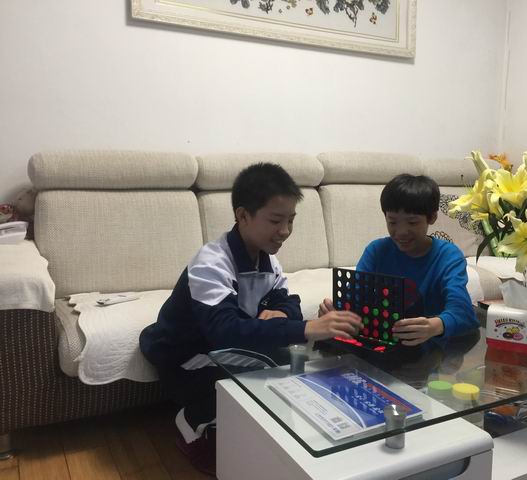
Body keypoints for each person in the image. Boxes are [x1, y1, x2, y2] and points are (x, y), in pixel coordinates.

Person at [140, 162, 362, 476]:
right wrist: (308, 328)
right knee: (248, 382)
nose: (285, 231)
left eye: (291, 220)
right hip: (184, 356)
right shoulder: (211, 263)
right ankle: (190, 422)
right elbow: (225, 331)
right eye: (275, 220)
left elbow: (289, 302)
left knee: (288, 366)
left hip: (224, 348)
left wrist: (283, 313)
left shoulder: (267, 260)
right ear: (243, 216)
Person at [319, 173, 477, 348]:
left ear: (432, 217)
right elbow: (353, 297)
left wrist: (436, 325)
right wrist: (334, 311)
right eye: (392, 222)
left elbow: (464, 313)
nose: (401, 232)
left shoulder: (448, 256)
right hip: (384, 344)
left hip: (432, 348)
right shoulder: (377, 251)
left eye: (412, 223)